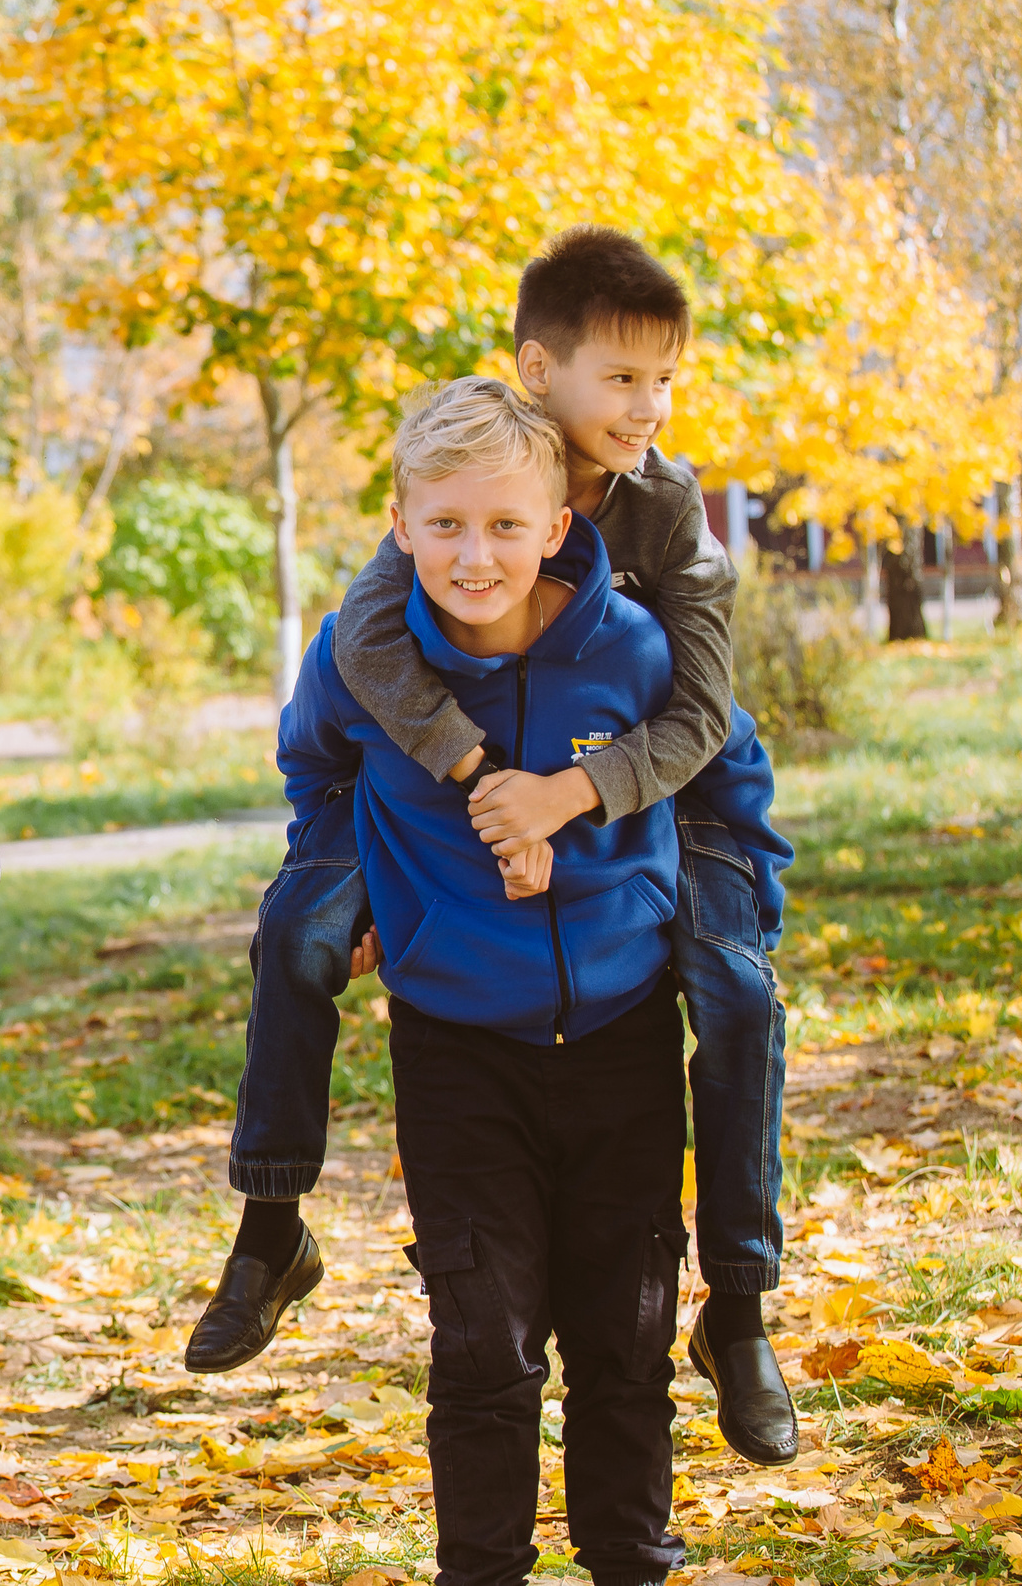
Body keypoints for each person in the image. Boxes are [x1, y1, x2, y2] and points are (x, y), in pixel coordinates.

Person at [193, 226, 803, 1466]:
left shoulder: (666, 513)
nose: (647, 407)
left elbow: (700, 717)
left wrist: (561, 800)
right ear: (540, 371)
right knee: (296, 928)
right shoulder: (468, 482)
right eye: (619, 379)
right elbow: (364, 657)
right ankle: (271, 1227)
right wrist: (486, 787)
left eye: (663, 381)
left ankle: (736, 1307)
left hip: (672, 796)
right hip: (465, 790)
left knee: (736, 995)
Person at [276, 378, 788, 1586]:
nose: (473, 553)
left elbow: (728, 772)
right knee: (485, 1347)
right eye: (444, 525)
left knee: (625, 1339)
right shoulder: (363, 661)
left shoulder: (634, 649)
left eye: (506, 525)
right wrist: (352, 901)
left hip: (619, 1034)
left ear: (558, 525)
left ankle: (633, 1560)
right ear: (399, 525)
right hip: (455, 1047)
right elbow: (317, 780)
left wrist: (725, 920)